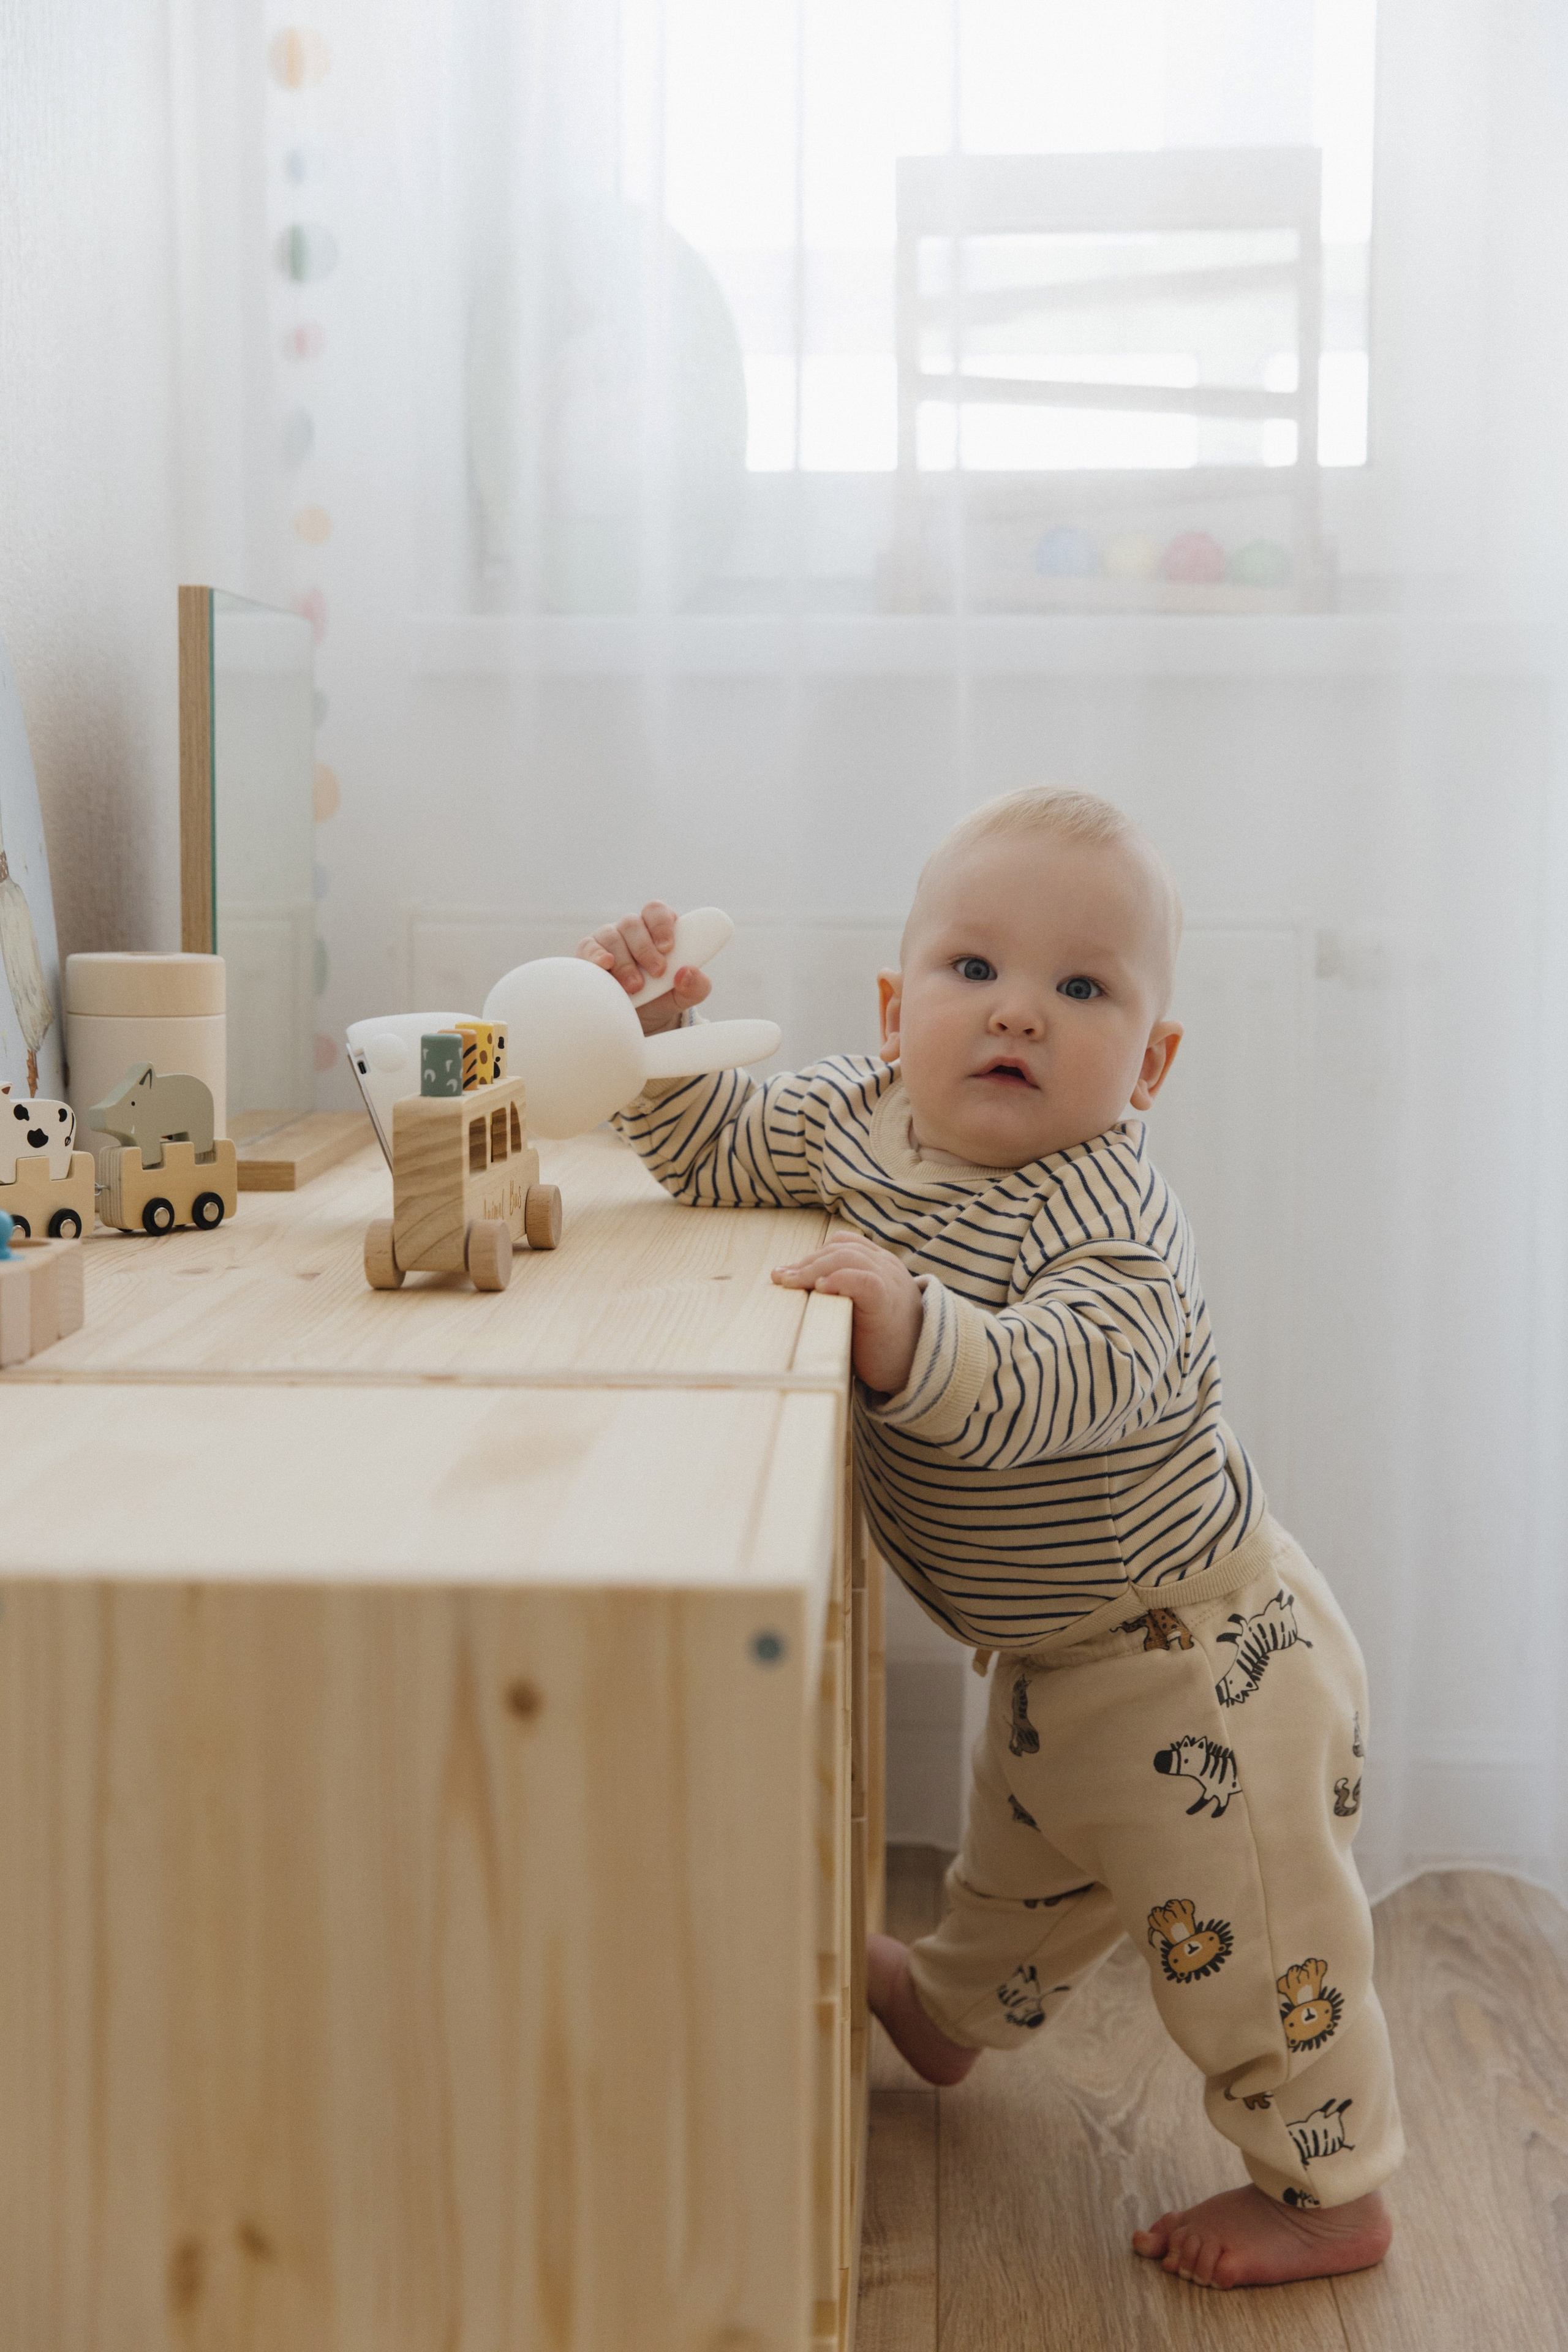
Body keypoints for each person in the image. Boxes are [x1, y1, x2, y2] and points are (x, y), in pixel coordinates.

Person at [578, 787, 1400, 2291]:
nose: (1016, 1010)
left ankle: (1324, 2187)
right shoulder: (855, 1113)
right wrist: (640, 1031)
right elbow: (718, 1149)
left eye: (1080, 989)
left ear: (1146, 1062)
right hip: (1049, 1650)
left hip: (1203, 1663)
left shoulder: (1108, 1213)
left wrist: (908, 1323)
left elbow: (1062, 1380)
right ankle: (948, 2021)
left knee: (1257, 1943)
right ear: (895, 1010)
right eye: (972, 970)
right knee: (1019, 1872)